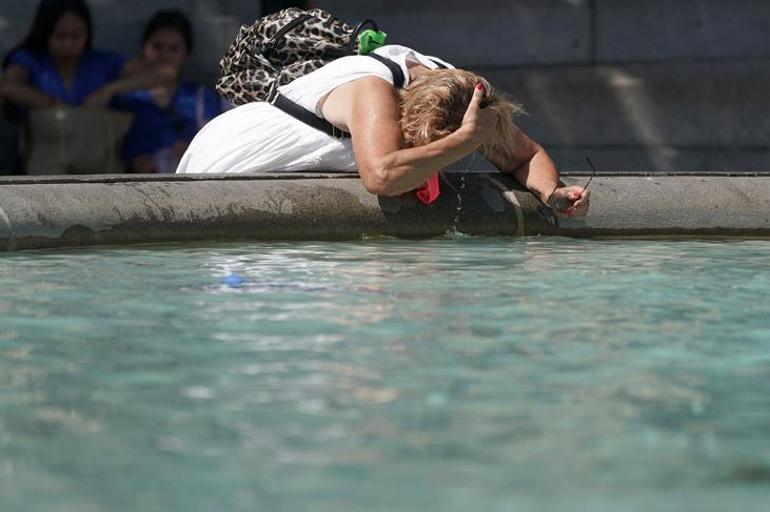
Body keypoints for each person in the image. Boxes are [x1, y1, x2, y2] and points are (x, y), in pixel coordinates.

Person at [177, 45, 590, 217]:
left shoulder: (465, 96)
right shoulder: (372, 88)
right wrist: (462, 142)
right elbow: (382, 176)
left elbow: (523, 155)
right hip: (232, 160)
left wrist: (553, 193)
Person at [0, 0, 174, 114]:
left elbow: (166, 73)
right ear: (45, 33)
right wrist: (54, 106)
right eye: (60, 36)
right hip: (45, 160)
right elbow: (7, 86)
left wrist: (109, 89)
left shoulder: (101, 62)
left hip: (96, 159)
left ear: (87, 34)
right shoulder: (29, 60)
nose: (68, 44)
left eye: (76, 37)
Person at [116, 10, 223, 173]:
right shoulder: (126, 98)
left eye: (174, 49)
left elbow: (215, 144)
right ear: (143, 48)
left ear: (186, 54)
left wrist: (191, 150)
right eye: (157, 47)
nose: (164, 55)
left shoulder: (201, 97)